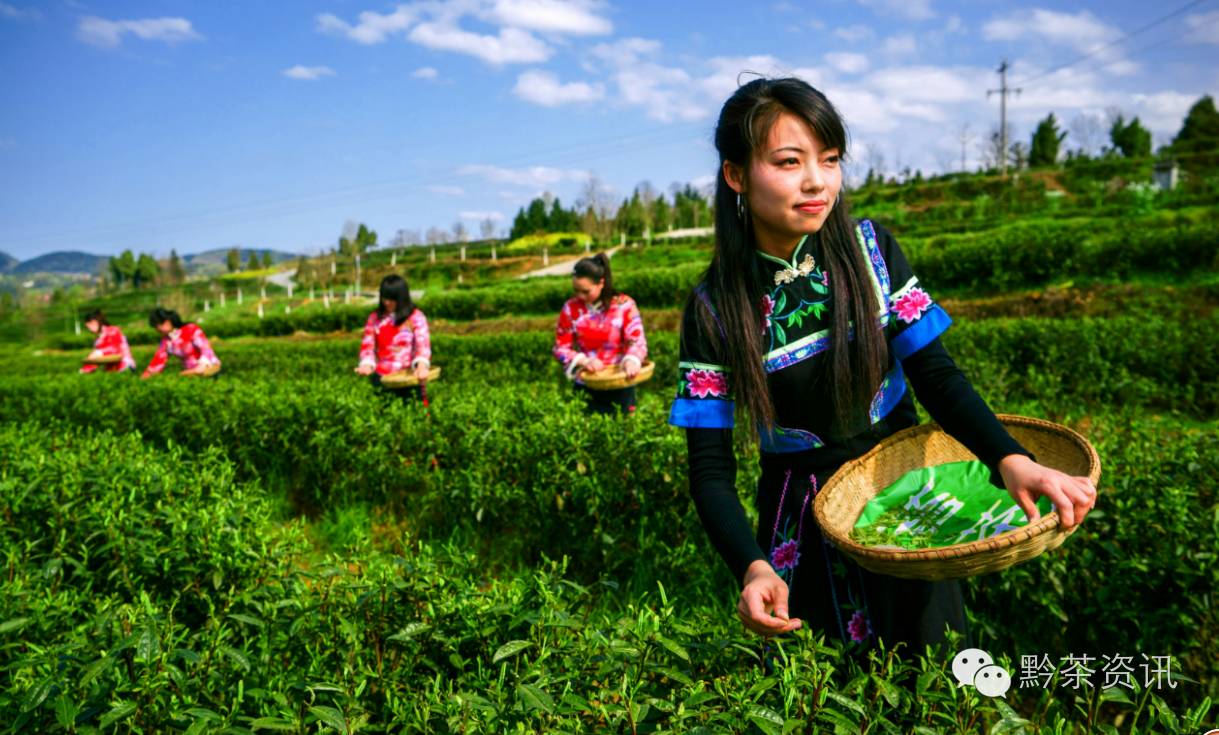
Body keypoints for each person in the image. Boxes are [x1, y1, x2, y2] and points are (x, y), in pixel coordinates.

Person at [668, 77, 1097, 652]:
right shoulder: (715, 307)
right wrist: (750, 566)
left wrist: (1011, 458)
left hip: (906, 494)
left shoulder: (871, 254)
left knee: (935, 669)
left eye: (830, 159)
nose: (817, 181)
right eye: (790, 162)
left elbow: (937, 377)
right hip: (800, 525)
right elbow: (711, 470)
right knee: (825, 690)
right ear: (737, 174)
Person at [554, 253, 648, 415]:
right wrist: (583, 360)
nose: (580, 296)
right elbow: (560, 347)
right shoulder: (570, 308)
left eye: (585, 291)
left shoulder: (624, 305)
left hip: (620, 381)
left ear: (601, 283)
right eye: (576, 290)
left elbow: (637, 340)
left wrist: (631, 360)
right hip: (586, 384)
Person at [356, 274, 431, 403]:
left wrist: (422, 366)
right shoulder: (375, 318)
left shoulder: (415, 317)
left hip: (409, 378)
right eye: (384, 298)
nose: (386, 302)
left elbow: (422, 346)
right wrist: (367, 365)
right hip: (383, 379)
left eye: (391, 299)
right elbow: (368, 345)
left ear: (401, 297)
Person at [142, 307, 221, 378]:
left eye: (157, 326)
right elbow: (158, 360)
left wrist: (203, 364)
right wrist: (147, 374)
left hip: (209, 368)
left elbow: (205, 348)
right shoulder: (166, 341)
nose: (157, 329)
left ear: (167, 322)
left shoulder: (190, 329)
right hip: (191, 373)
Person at [79, 309, 137, 374]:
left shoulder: (113, 330)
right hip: (111, 368)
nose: (90, 328)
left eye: (91, 325)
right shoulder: (98, 339)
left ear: (97, 322)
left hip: (125, 366)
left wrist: (99, 353)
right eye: (88, 327)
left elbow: (115, 349)